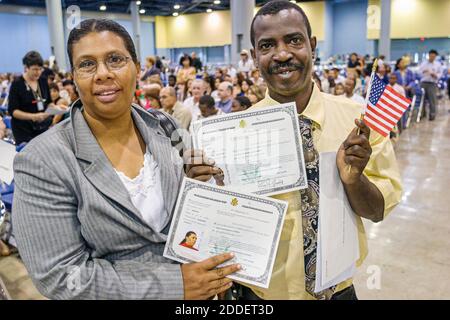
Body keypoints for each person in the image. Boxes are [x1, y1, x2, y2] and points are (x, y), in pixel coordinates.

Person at [12, 19, 240, 300]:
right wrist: (174, 285)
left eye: (115, 59)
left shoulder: (166, 125)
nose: (103, 74)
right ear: (73, 77)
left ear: (137, 68)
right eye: (87, 64)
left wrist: (195, 183)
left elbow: (188, 204)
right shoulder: (42, 161)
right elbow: (62, 277)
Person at [233, 0, 402, 300]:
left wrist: (353, 180)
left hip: (337, 292)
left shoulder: (359, 124)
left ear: (312, 45)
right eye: (267, 45)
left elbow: (376, 211)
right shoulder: (234, 134)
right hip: (262, 296)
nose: (282, 54)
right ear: (255, 56)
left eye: (294, 40)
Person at [8, 51, 53, 144]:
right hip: (23, 129)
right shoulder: (17, 83)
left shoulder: (43, 80)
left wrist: (54, 108)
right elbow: (13, 111)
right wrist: (33, 117)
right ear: (26, 68)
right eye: (35, 69)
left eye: (40, 69)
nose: (38, 72)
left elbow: (49, 102)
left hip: (42, 127)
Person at [419, 49, 443, 121]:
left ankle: (432, 115)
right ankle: (422, 114)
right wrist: (424, 71)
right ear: (429, 55)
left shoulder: (438, 64)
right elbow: (419, 72)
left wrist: (435, 75)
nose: (432, 57)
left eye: (434, 56)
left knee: (432, 100)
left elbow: (440, 74)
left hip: (432, 83)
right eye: (431, 56)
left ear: (435, 56)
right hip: (424, 83)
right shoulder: (423, 63)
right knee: (422, 99)